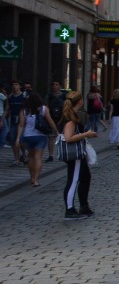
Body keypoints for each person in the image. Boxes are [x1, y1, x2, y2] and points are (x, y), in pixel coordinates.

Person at [60, 91, 98, 220]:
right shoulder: (70, 119)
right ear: (80, 101)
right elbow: (68, 137)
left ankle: (84, 206)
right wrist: (87, 134)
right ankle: (70, 210)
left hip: (78, 152)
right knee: (73, 180)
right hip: (75, 154)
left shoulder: (73, 115)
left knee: (86, 177)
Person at [19, 90, 57, 185]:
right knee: (38, 158)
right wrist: (57, 131)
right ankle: (36, 179)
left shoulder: (24, 110)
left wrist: (18, 138)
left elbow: (21, 125)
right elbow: (50, 121)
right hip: (40, 136)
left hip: (28, 136)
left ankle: (32, 177)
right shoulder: (43, 109)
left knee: (30, 158)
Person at [8, 80, 26, 163]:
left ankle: (24, 153)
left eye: (16, 84)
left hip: (22, 121)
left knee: (21, 140)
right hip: (13, 120)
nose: (14, 86)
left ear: (20, 86)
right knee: (13, 139)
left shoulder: (24, 96)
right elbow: (7, 109)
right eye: (13, 84)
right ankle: (16, 159)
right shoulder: (10, 97)